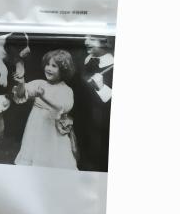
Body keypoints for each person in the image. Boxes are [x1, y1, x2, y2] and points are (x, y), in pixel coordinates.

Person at [13, 49, 77, 169]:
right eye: (47, 64)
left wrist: (43, 97)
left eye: (54, 66)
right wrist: (21, 82)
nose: (48, 68)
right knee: (32, 153)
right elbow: (21, 94)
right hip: (35, 127)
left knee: (51, 158)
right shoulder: (40, 83)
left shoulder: (66, 89)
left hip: (53, 131)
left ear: (63, 70)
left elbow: (63, 107)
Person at [71, 35, 114, 172]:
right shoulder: (84, 60)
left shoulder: (114, 65)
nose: (86, 41)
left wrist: (102, 88)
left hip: (100, 127)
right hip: (80, 121)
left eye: (92, 38)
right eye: (85, 37)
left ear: (106, 42)